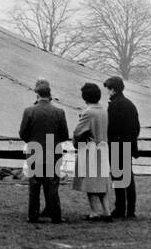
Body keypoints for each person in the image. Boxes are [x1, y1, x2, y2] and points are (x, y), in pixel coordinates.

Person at [18, 78, 69, 225]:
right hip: (53, 152)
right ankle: (55, 216)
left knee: (34, 185)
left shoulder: (29, 111)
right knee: (52, 185)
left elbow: (23, 133)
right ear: (50, 94)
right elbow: (64, 135)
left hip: (35, 151)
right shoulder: (59, 112)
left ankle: (33, 216)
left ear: (36, 94)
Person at [72, 81, 112, 220]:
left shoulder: (88, 112)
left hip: (91, 149)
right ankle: (107, 212)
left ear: (85, 97)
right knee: (102, 183)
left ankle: (94, 212)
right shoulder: (103, 110)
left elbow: (78, 132)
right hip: (103, 148)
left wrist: (76, 143)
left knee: (90, 183)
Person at [105, 75, 141, 219]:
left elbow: (111, 127)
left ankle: (120, 208)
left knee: (118, 177)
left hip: (116, 144)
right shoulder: (130, 104)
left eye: (108, 89)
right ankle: (131, 210)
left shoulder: (113, 105)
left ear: (112, 90)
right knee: (129, 178)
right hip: (128, 143)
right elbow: (136, 127)